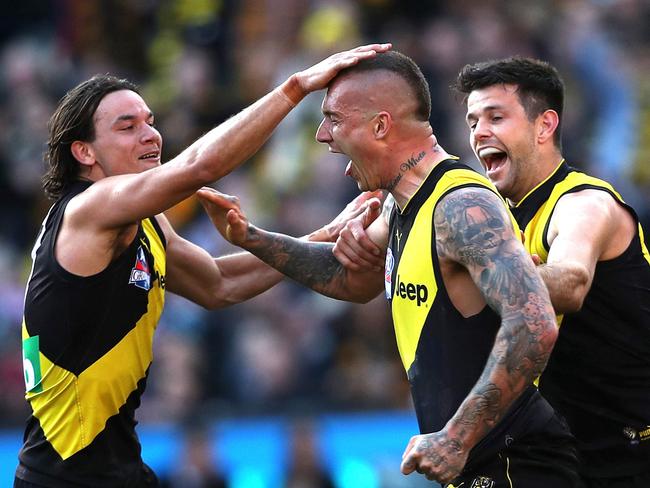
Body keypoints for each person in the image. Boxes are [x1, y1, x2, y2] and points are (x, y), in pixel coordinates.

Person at [197, 51, 581, 487]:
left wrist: (455, 437)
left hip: (518, 462)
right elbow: (347, 279)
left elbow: (534, 325)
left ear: (380, 126)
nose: (323, 135)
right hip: (482, 463)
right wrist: (252, 238)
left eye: (333, 119)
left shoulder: (459, 206)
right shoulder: (399, 208)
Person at [15, 43, 391, 488]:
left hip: (118, 469)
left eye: (150, 123)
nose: (150, 135)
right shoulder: (88, 210)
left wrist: (321, 236)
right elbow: (200, 165)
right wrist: (295, 87)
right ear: (85, 153)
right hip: (61, 477)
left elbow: (218, 284)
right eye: (127, 126)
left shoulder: (145, 222)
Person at [451, 57, 650, 488]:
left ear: (545, 126)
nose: (479, 132)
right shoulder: (494, 214)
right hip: (562, 447)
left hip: (633, 444)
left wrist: (480, 277)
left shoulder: (585, 204)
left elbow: (572, 282)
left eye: (495, 117)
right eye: (472, 121)